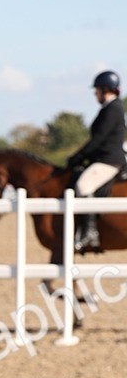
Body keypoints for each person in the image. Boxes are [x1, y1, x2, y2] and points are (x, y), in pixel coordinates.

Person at [67, 70, 126, 252]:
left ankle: (89, 233)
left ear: (105, 89)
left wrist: (78, 157)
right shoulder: (109, 108)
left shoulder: (113, 108)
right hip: (104, 159)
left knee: (84, 186)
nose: (95, 94)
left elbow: (98, 140)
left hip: (109, 161)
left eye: (97, 90)